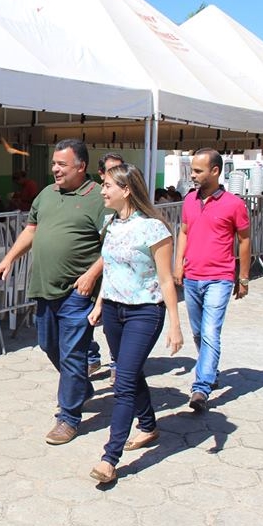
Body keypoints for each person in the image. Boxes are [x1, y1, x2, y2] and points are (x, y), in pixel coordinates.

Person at [0, 139, 109, 445]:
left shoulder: (99, 197)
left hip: (78, 291)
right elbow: (31, 230)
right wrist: (8, 258)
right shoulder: (46, 194)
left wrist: (91, 274)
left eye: (62, 164)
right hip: (44, 286)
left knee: (73, 354)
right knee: (48, 345)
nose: (55, 169)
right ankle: (80, 387)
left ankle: (68, 417)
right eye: (54, 164)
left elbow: (113, 244)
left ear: (81, 166)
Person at [86, 164, 183, 484]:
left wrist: (175, 325)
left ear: (127, 190)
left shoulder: (154, 228)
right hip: (114, 311)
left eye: (108, 185)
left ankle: (109, 457)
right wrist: (100, 304)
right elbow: (111, 269)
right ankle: (149, 425)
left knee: (123, 381)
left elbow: (167, 280)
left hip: (145, 312)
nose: (102, 190)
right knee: (130, 373)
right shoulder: (110, 223)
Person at [174, 148, 251, 412]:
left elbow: (244, 240)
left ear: (215, 171)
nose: (193, 175)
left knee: (210, 332)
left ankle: (201, 387)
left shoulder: (234, 204)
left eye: (198, 170)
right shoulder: (189, 200)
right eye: (192, 170)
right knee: (198, 332)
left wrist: (243, 277)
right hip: (193, 276)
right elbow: (183, 231)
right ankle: (211, 369)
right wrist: (178, 263)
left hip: (220, 278)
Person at [88, 152, 125, 379]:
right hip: (93, 268)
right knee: (87, 317)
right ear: (101, 173)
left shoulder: (128, 199)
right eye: (112, 170)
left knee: (114, 321)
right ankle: (91, 357)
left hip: (116, 270)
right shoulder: (94, 198)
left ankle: (117, 364)